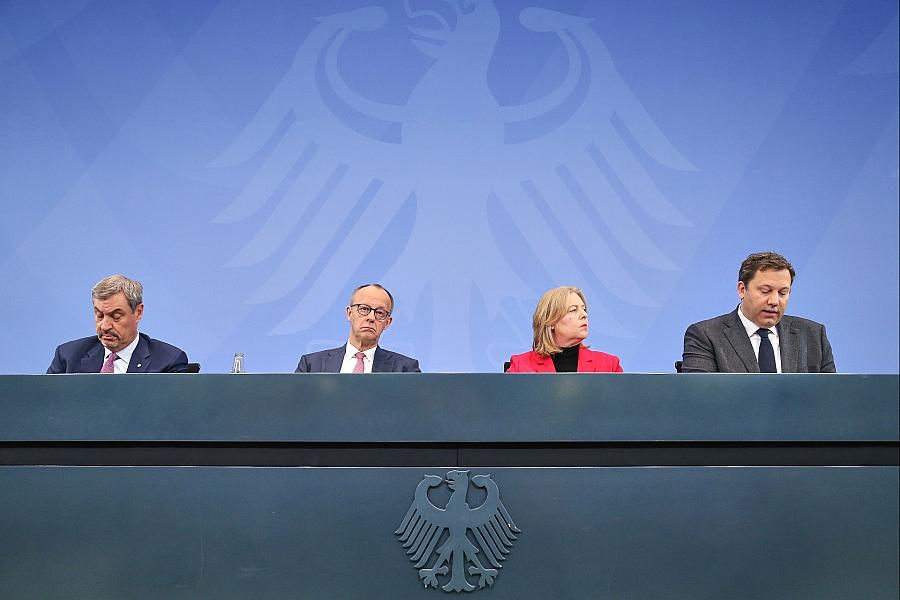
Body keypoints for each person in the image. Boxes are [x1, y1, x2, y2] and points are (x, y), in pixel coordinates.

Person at [681, 251, 835, 373]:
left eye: (783, 293)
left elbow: (830, 399)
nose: (774, 301)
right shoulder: (706, 335)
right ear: (742, 289)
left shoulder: (813, 335)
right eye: (765, 291)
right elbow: (701, 400)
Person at [47, 274, 189, 374]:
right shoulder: (68, 356)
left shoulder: (169, 361)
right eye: (99, 315)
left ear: (138, 312)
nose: (104, 326)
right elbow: (45, 408)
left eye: (116, 316)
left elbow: (175, 415)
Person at [295, 283, 420, 373]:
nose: (371, 317)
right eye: (364, 309)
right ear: (349, 313)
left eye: (380, 313)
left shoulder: (405, 369)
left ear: (387, 322)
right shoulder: (312, 365)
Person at [507, 286, 623, 372]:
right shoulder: (520, 366)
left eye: (584, 309)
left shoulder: (609, 365)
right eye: (573, 310)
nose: (584, 315)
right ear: (551, 321)